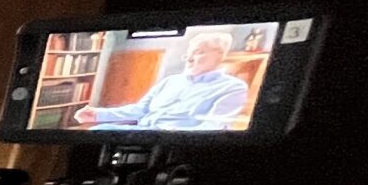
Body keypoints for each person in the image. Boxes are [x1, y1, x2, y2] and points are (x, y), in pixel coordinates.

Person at [76, 30, 250, 131]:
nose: (189, 58)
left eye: (198, 52)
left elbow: (214, 127)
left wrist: (172, 135)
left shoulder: (233, 88)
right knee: (98, 130)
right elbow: (140, 110)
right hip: (142, 132)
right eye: (188, 53)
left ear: (219, 55)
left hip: (178, 143)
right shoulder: (170, 81)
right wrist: (98, 114)